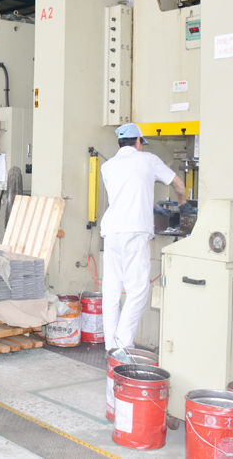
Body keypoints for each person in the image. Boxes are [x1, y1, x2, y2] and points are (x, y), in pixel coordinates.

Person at [100, 123, 189, 407]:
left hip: (111, 232)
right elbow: (178, 183)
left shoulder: (107, 166)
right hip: (135, 232)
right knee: (138, 290)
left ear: (119, 143)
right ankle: (122, 347)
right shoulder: (148, 160)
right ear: (138, 141)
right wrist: (183, 202)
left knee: (111, 290)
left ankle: (111, 346)